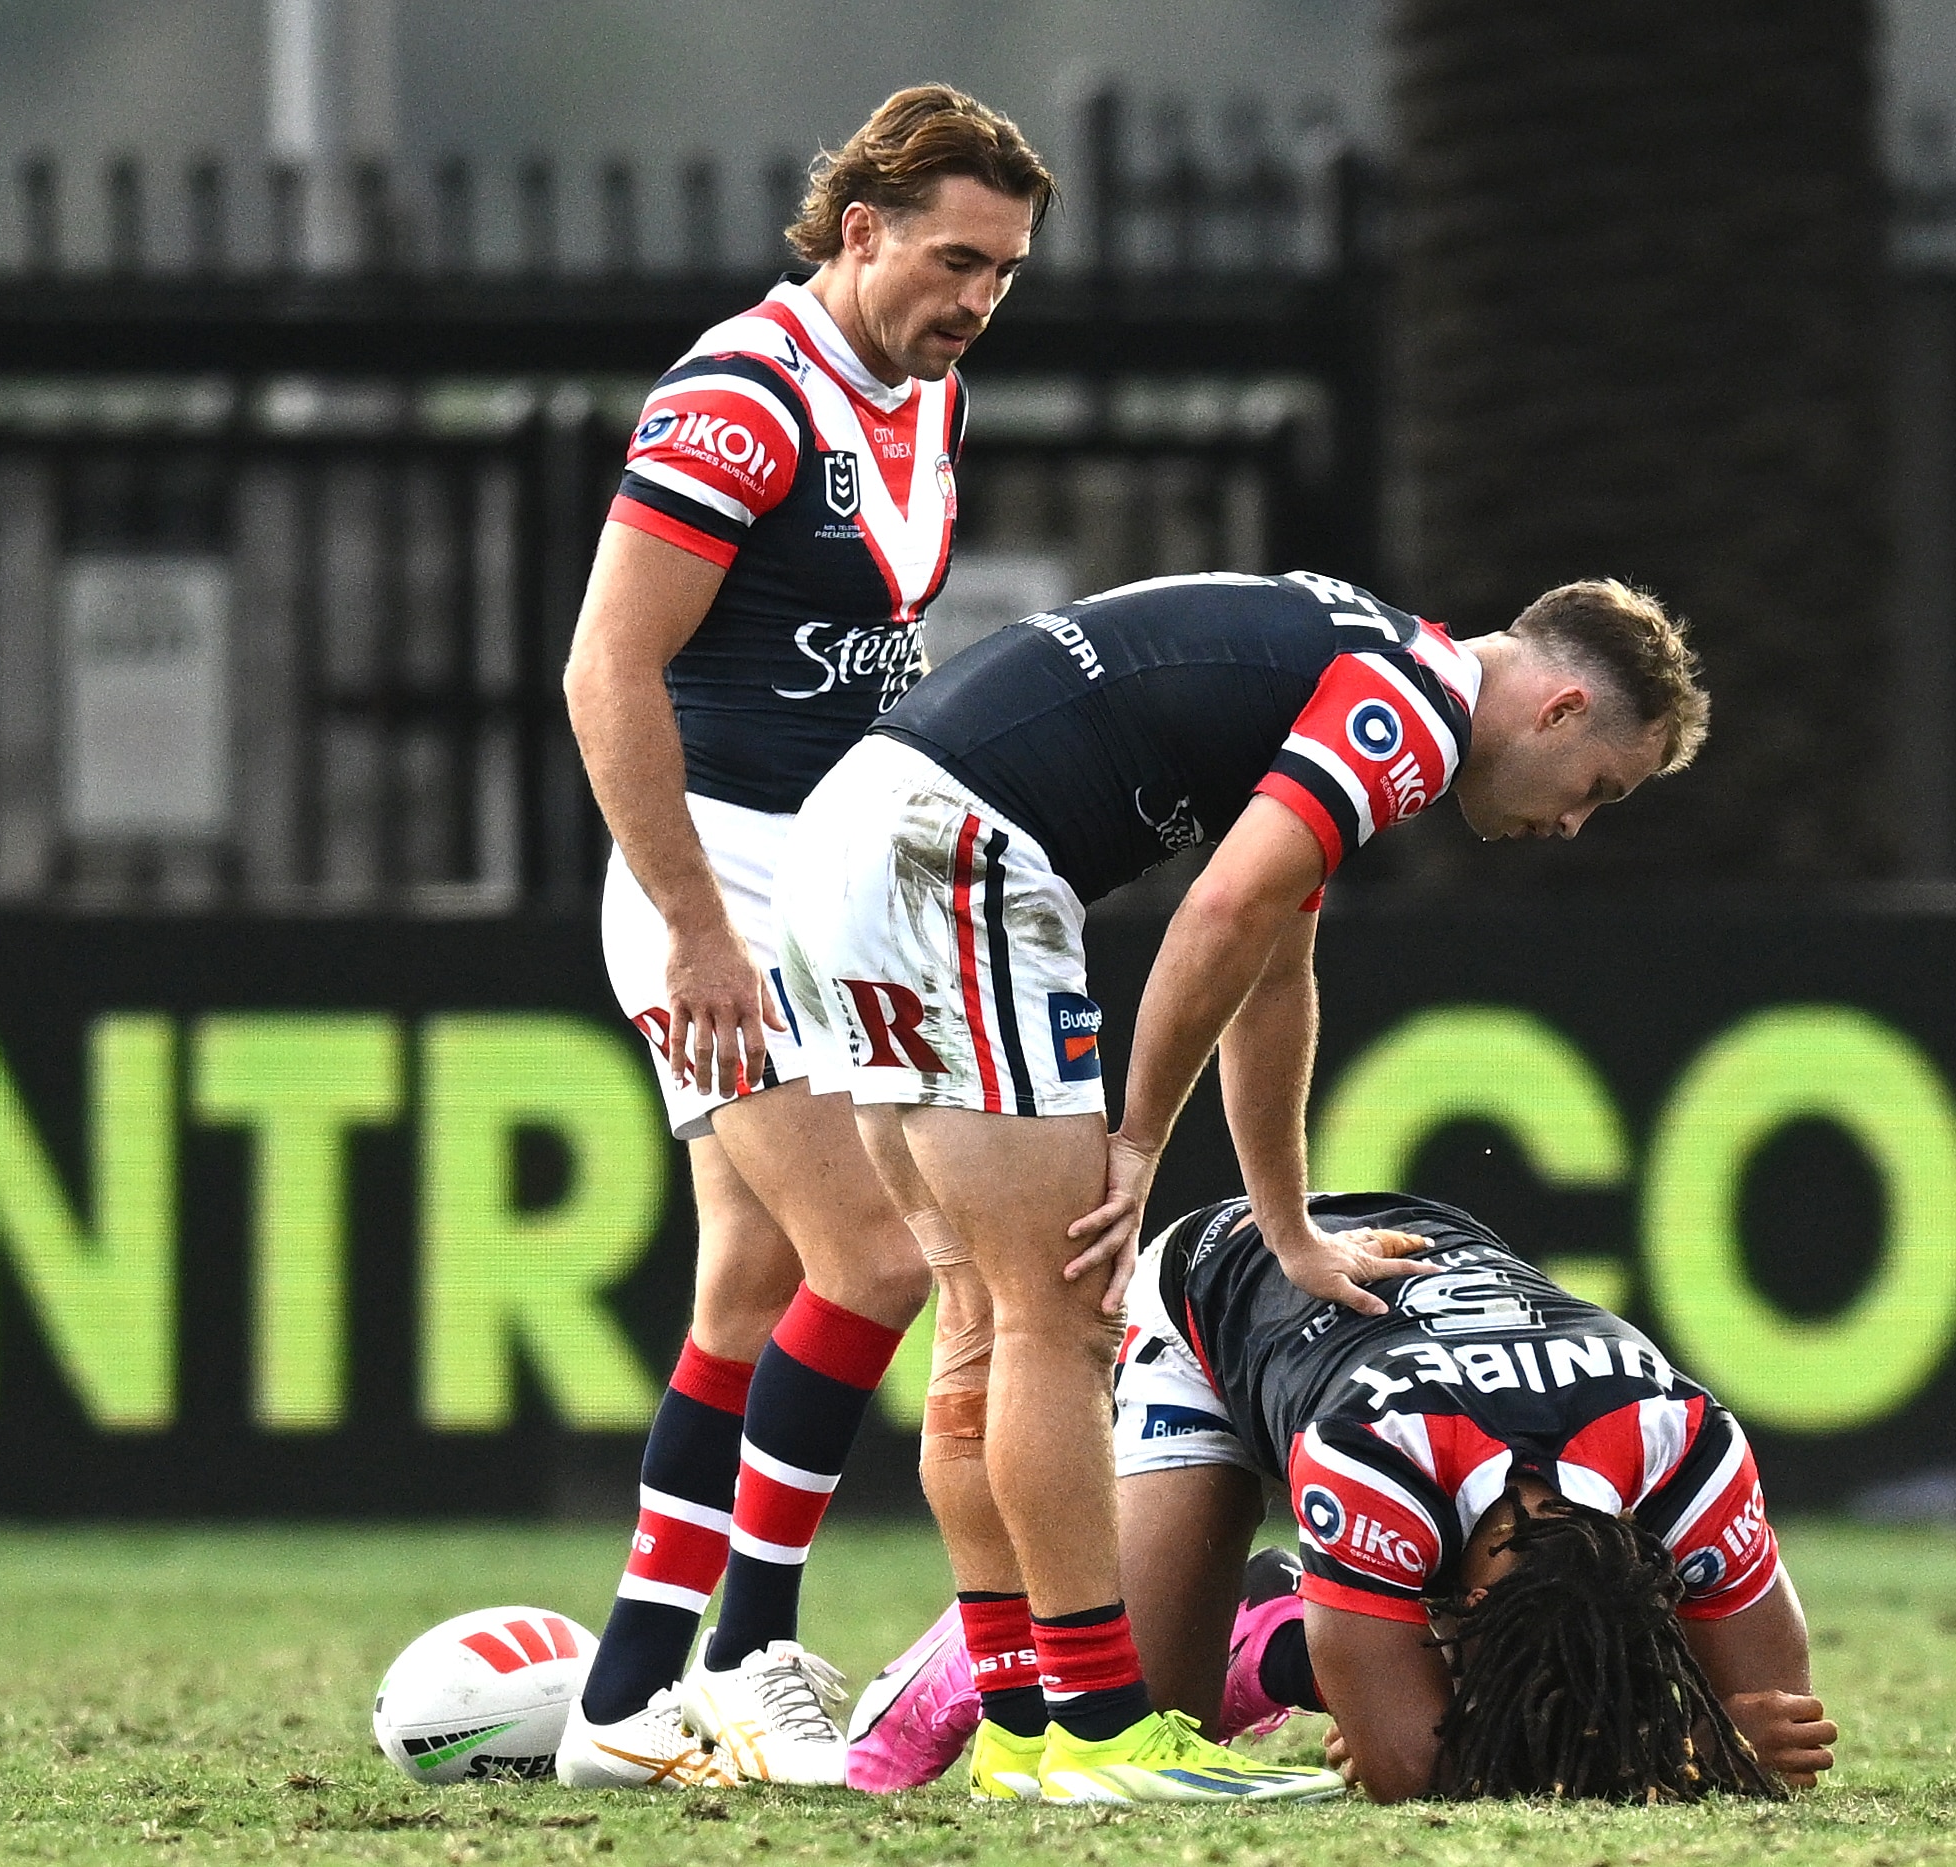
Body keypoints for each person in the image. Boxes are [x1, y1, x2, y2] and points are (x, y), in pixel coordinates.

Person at [775, 570, 1711, 1802]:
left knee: (983, 1315)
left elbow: (1272, 969)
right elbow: (1216, 912)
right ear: (1559, 708)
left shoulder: (1359, 661)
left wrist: (1289, 1227)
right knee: (1058, 1316)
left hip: (846, 839)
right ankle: (1100, 1734)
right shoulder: (1417, 702)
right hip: (950, 852)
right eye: (1599, 788)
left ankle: (1016, 1724)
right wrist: (1137, 1142)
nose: (1574, 824)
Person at [554, 84, 1052, 1790]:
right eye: (956, 259)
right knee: (879, 1258)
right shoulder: (740, 397)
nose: (977, 298)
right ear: (862, 230)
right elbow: (606, 671)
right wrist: (694, 931)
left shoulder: (929, 396)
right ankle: (760, 1650)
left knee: (755, 1280)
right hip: (715, 887)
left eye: (1004, 271)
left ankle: (624, 1700)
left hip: (832, 885)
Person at [847, 1191, 1840, 1804]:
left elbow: (1780, 1708)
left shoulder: (1686, 1443)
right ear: (1464, 1612)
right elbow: (1403, 1769)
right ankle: (988, 1647)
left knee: (1386, 1686)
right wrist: (1686, 1747)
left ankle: (1304, 1620)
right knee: (1143, 1709)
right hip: (1218, 1290)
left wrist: (1712, 1729)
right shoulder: (1375, 1456)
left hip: (1426, 1270)